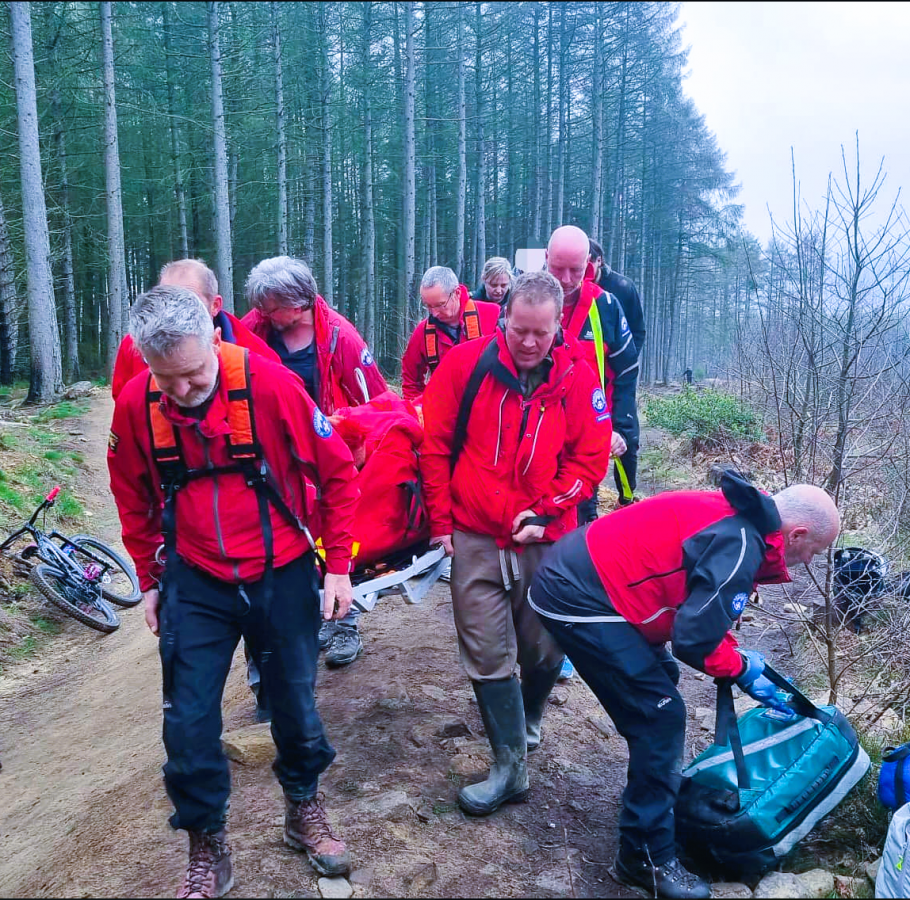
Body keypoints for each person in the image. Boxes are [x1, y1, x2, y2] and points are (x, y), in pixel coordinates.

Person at [108, 285, 360, 899]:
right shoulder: (137, 406)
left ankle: (304, 808)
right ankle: (206, 843)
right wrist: (149, 579)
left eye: (194, 374)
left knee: (294, 706)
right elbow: (133, 497)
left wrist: (339, 565)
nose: (184, 390)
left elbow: (337, 473)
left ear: (215, 341)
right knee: (188, 723)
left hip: (282, 571)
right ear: (145, 362)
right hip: (196, 580)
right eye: (168, 379)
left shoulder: (270, 387)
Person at [528, 472, 840, 899]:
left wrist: (735, 657)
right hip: (578, 595)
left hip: (590, 578)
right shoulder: (742, 544)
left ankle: (646, 799)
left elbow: (698, 607)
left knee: (661, 687)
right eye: (814, 551)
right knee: (661, 719)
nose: (807, 561)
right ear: (798, 533)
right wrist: (739, 669)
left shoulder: (744, 521)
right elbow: (693, 642)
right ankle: (643, 858)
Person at [420, 270, 612, 816]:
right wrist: (441, 523)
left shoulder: (579, 377)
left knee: (545, 646)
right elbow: (434, 448)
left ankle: (527, 720)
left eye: (541, 333)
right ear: (504, 318)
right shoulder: (465, 366)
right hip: (475, 530)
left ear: (557, 329)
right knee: (485, 648)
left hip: (546, 536)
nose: (528, 343)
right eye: (519, 329)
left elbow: (588, 462)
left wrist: (547, 513)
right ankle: (510, 767)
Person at [242, 256, 387, 668]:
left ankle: (343, 624)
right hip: (270, 458)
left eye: (273, 306)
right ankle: (289, 631)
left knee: (339, 541)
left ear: (299, 302)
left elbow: (373, 401)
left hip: (327, 452)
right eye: (262, 306)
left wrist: (357, 449)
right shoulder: (254, 328)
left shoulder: (340, 337)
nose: (265, 313)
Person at [546, 226, 638, 527]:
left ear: (590, 264)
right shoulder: (526, 298)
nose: (567, 280)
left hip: (586, 433)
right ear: (546, 260)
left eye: (576, 270)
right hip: (537, 432)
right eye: (558, 269)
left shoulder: (606, 306)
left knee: (582, 517)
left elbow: (625, 373)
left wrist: (620, 429)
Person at [111, 258, 278, 401]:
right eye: (166, 299)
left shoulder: (254, 351)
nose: (175, 309)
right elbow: (125, 402)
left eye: (189, 300)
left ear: (215, 305)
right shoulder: (135, 345)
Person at [590, 238, 646, 506]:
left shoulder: (622, 288)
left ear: (599, 260)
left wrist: (624, 361)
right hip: (587, 370)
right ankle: (589, 494)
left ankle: (626, 495)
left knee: (625, 434)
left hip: (616, 370)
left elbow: (638, 330)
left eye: (588, 262)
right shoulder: (569, 287)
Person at [400, 265, 500, 402]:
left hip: (487, 411)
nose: (434, 313)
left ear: (457, 293)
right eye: (428, 306)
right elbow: (410, 380)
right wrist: (420, 410)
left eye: (440, 305)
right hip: (444, 412)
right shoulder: (423, 332)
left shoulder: (493, 316)